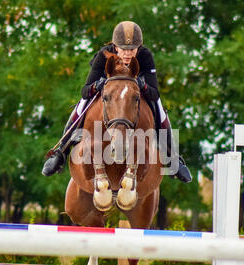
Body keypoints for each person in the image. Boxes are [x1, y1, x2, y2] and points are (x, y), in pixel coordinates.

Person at [42, 21, 192, 183]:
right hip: (110, 95)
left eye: (132, 49)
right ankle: (61, 152)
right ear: (115, 46)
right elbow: (85, 91)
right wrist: (96, 86)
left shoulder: (145, 56)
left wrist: (143, 85)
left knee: (160, 109)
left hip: (134, 95)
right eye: (123, 49)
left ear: (139, 48)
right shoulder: (104, 55)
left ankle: (173, 159)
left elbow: (154, 94)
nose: (128, 54)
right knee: (81, 105)